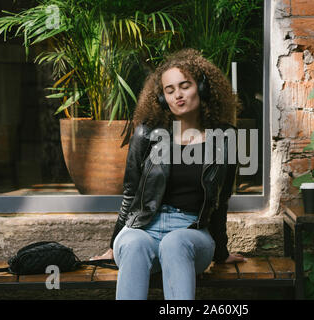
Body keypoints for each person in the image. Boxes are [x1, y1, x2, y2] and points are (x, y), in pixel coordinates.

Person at [91, 48, 245, 300]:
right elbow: (130, 194)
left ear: (203, 89)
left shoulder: (225, 138)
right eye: (169, 90)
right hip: (143, 229)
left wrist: (221, 251)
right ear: (162, 98)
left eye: (185, 86)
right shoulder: (146, 134)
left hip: (191, 232)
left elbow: (221, 200)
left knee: (175, 243)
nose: (178, 95)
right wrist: (112, 246)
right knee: (133, 244)